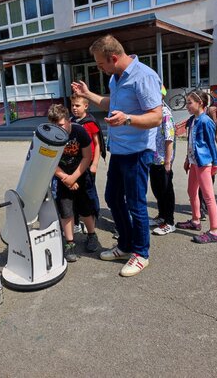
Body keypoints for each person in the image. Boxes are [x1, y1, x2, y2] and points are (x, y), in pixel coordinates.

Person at [72, 34, 162, 277]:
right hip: (119, 151)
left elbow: (156, 116)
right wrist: (88, 94)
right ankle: (125, 245)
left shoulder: (144, 76)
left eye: (101, 64)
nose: (100, 68)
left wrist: (128, 118)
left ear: (113, 58)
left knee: (136, 204)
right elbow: (111, 103)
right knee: (112, 198)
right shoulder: (116, 77)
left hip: (137, 152)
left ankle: (141, 254)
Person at [48, 104, 99, 262]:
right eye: (54, 126)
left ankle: (91, 235)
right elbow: (49, 161)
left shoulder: (79, 131)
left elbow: (87, 157)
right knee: (66, 211)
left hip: (81, 175)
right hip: (62, 177)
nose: (59, 129)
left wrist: (74, 177)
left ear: (68, 121)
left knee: (85, 209)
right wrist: (65, 178)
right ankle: (70, 243)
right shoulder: (49, 135)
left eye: (61, 125)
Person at [176, 90, 217, 243]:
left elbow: (211, 144)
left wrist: (215, 163)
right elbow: (191, 143)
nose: (187, 106)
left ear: (200, 103)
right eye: (187, 102)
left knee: (208, 197)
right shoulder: (192, 120)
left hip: (204, 163)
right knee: (191, 191)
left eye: (189, 103)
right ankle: (195, 221)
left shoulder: (205, 121)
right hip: (194, 162)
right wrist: (187, 159)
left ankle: (214, 231)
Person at [70, 94, 105, 233]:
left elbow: (97, 145)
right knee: (75, 193)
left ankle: (93, 218)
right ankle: (77, 221)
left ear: (86, 106)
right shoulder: (71, 121)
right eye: (72, 105)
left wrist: (95, 164)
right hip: (75, 164)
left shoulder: (90, 122)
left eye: (77, 105)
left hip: (88, 164)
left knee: (89, 193)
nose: (74, 108)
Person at [149, 85, 176, 235]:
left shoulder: (165, 113)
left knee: (166, 191)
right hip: (153, 159)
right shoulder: (154, 113)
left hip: (162, 160)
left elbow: (169, 138)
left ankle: (169, 222)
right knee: (157, 189)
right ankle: (161, 216)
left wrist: (167, 161)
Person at [198, 105, 217, 221]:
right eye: (213, 111)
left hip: (211, 157)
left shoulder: (211, 122)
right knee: (201, 185)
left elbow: (216, 134)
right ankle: (200, 207)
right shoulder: (200, 120)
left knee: (210, 183)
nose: (214, 113)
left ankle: (204, 205)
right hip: (202, 158)